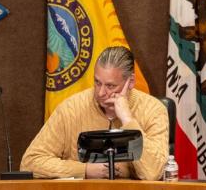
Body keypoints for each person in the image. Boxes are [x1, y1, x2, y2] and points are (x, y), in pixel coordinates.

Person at [20, 46, 168, 180]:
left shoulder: (154, 110)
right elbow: (31, 162)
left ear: (130, 82)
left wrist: (128, 119)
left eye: (110, 86)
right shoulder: (71, 108)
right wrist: (84, 170)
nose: (101, 92)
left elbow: (153, 173)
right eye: (97, 82)